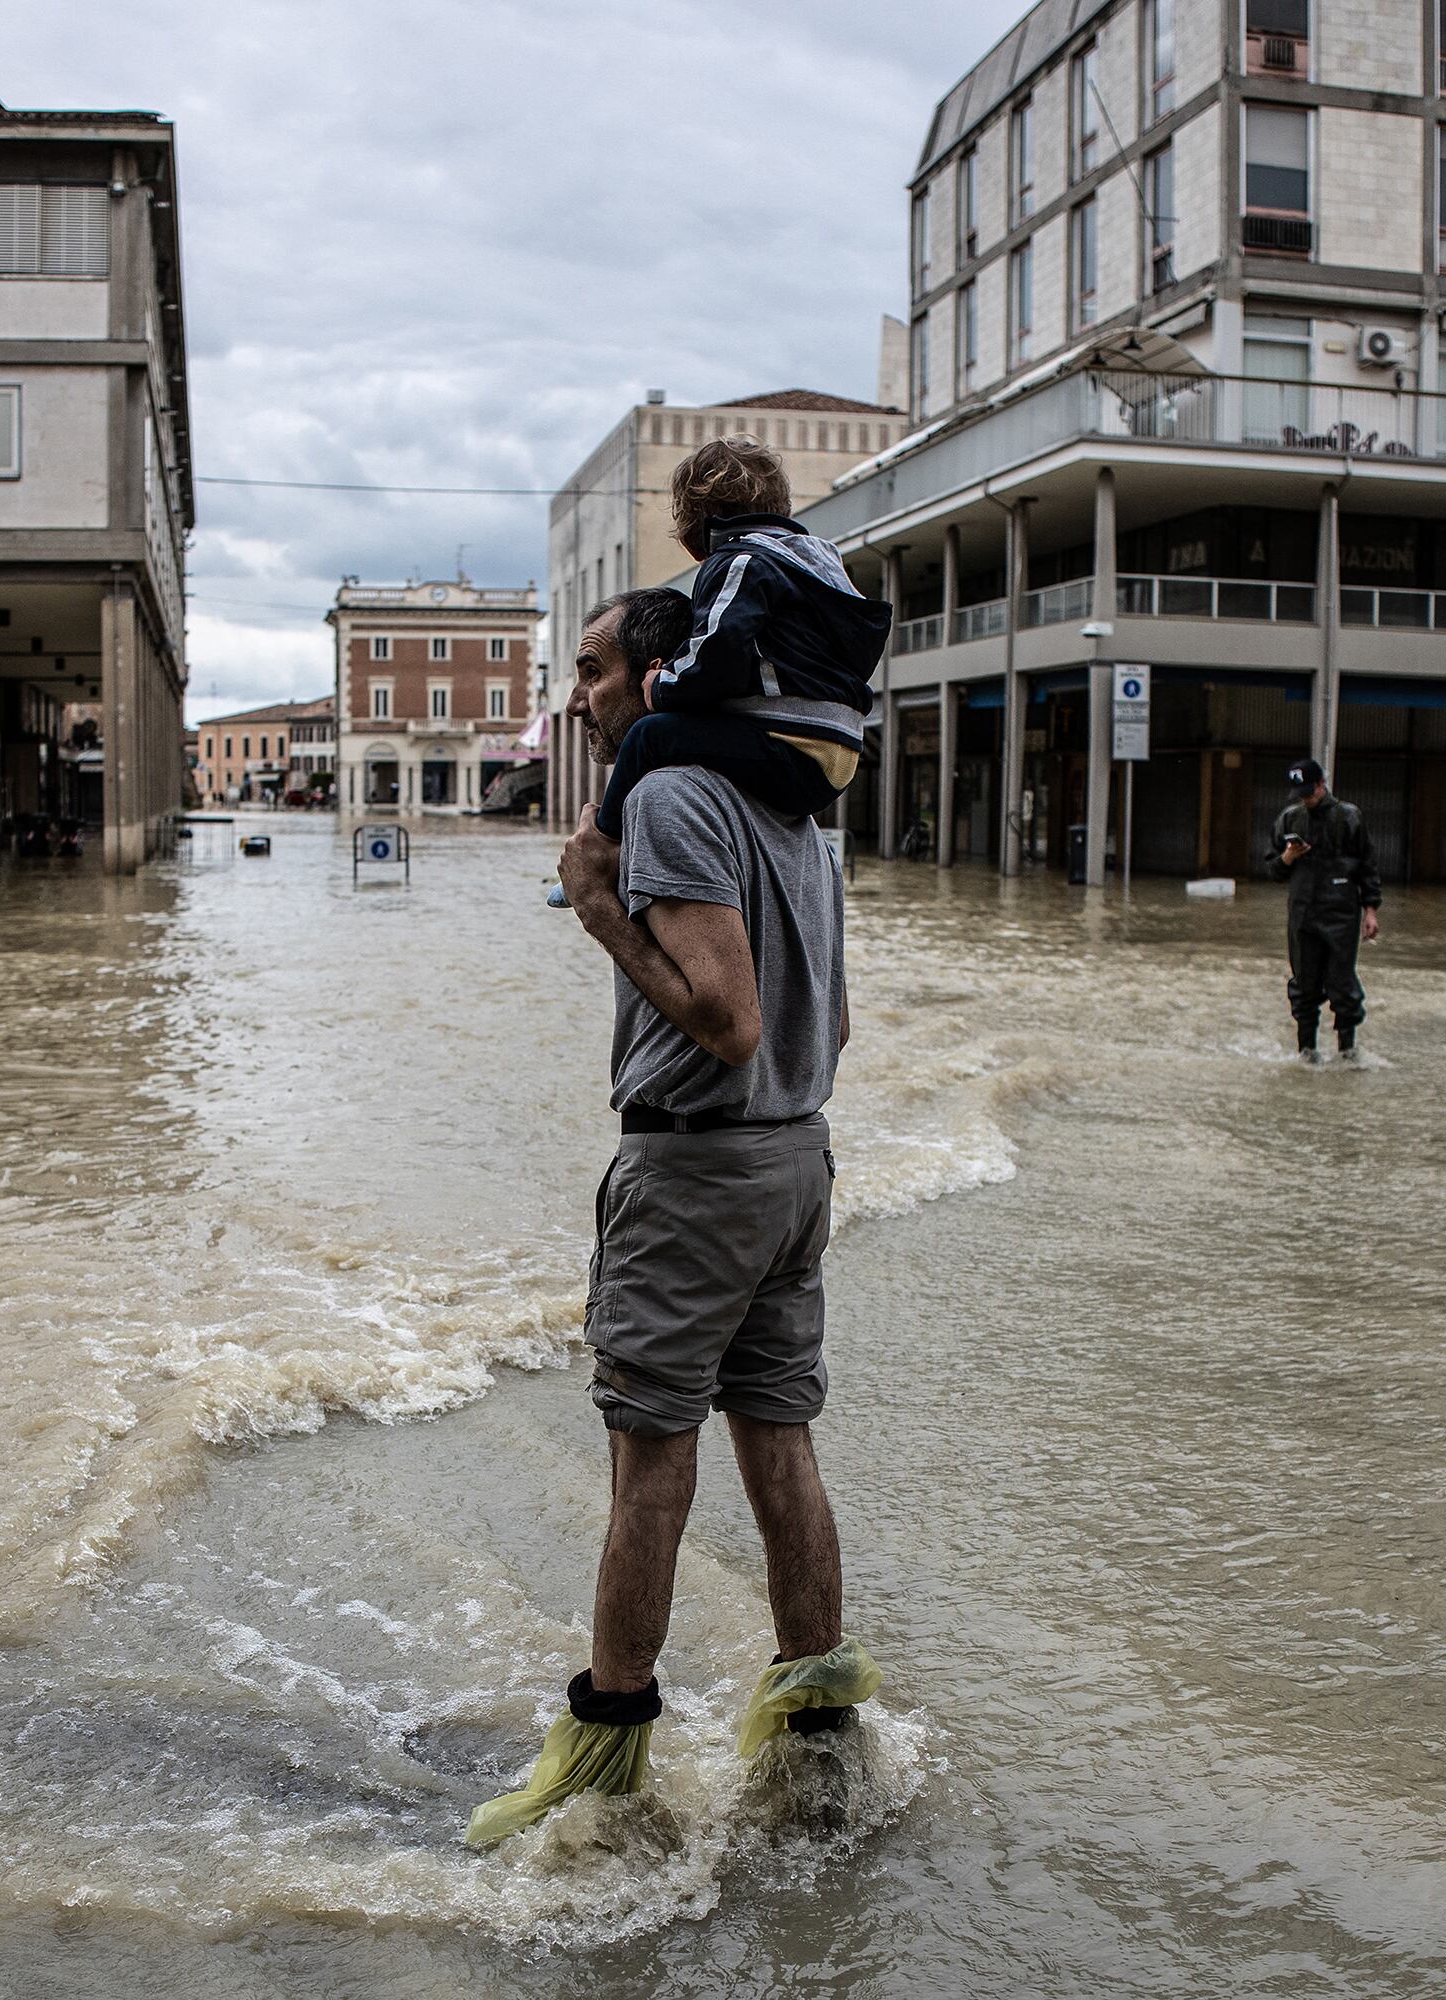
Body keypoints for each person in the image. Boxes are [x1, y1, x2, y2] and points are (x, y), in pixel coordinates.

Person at [466, 585, 880, 1848]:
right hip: (795, 1157)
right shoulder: (793, 802)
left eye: (592, 667)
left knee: (652, 1471)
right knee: (781, 1445)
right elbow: (821, 1020)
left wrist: (598, 908)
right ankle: (819, 1740)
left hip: (697, 1173)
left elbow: (725, 1014)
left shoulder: (670, 794)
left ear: (657, 669)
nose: (577, 694)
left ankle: (602, 1774)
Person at [593, 437, 889, 840]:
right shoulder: (820, 562)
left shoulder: (739, 561)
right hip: (841, 755)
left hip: (790, 747)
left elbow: (718, 653)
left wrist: (661, 685)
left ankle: (603, 843)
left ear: (700, 518)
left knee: (649, 735)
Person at [1265, 757, 1381, 1060]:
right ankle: (1307, 1053)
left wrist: (1371, 910)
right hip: (1302, 915)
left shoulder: (1349, 817)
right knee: (1304, 986)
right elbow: (1272, 870)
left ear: (1321, 784)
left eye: (1309, 791)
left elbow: (1367, 867)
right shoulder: (1290, 819)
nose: (1305, 799)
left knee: (1342, 985)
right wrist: (1288, 857)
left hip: (1341, 914)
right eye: (1300, 794)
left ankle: (1348, 1053)